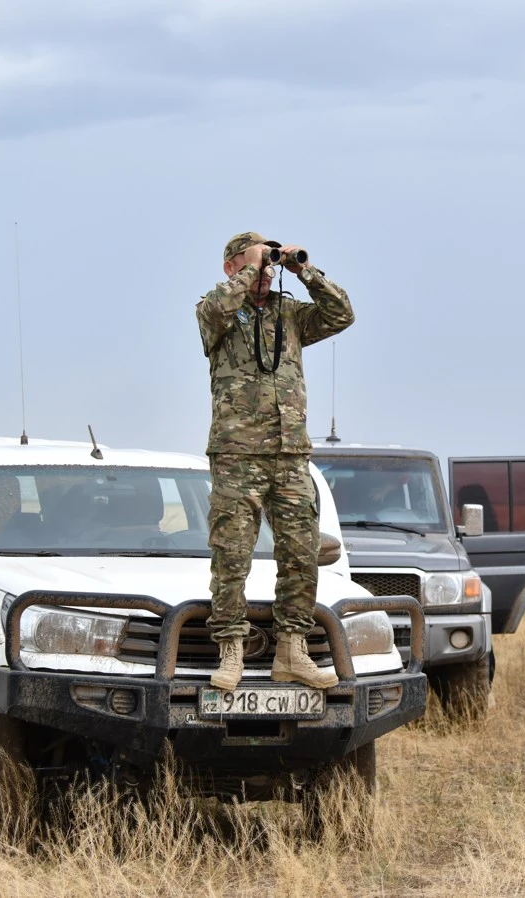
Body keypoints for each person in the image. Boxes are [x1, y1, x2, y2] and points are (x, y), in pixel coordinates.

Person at [195, 232, 355, 691]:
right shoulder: (215, 309)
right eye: (254, 263)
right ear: (232, 268)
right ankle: (231, 652)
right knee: (231, 556)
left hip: (290, 455)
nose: (266, 271)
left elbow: (341, 313)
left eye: (268, 264)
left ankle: (292, 651)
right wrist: (253, 267)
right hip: (237, 454)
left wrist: (301, 269)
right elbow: (217, 309)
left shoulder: (290, 315)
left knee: (302, 554)